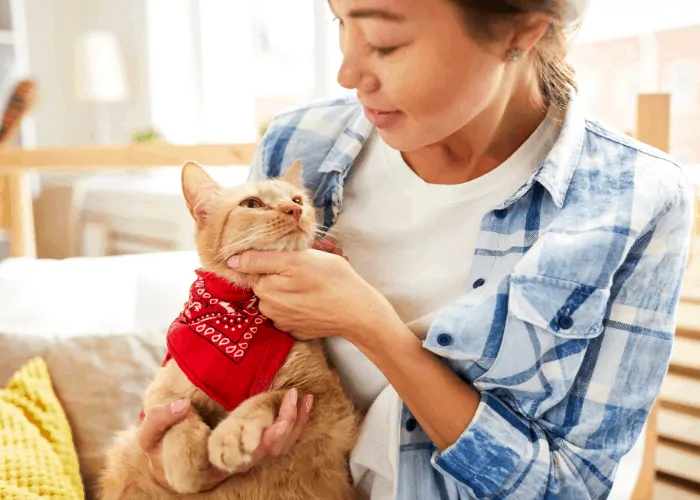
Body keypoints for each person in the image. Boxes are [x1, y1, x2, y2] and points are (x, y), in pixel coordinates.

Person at [138, 0, 696, 498]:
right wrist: (179, 461)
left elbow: (567, 488)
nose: (348, 72)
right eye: (340, 22)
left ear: (521, 31)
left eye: (385, 42)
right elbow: (219, 350)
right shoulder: (299, 143)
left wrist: (371, 326)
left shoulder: (633, 200)